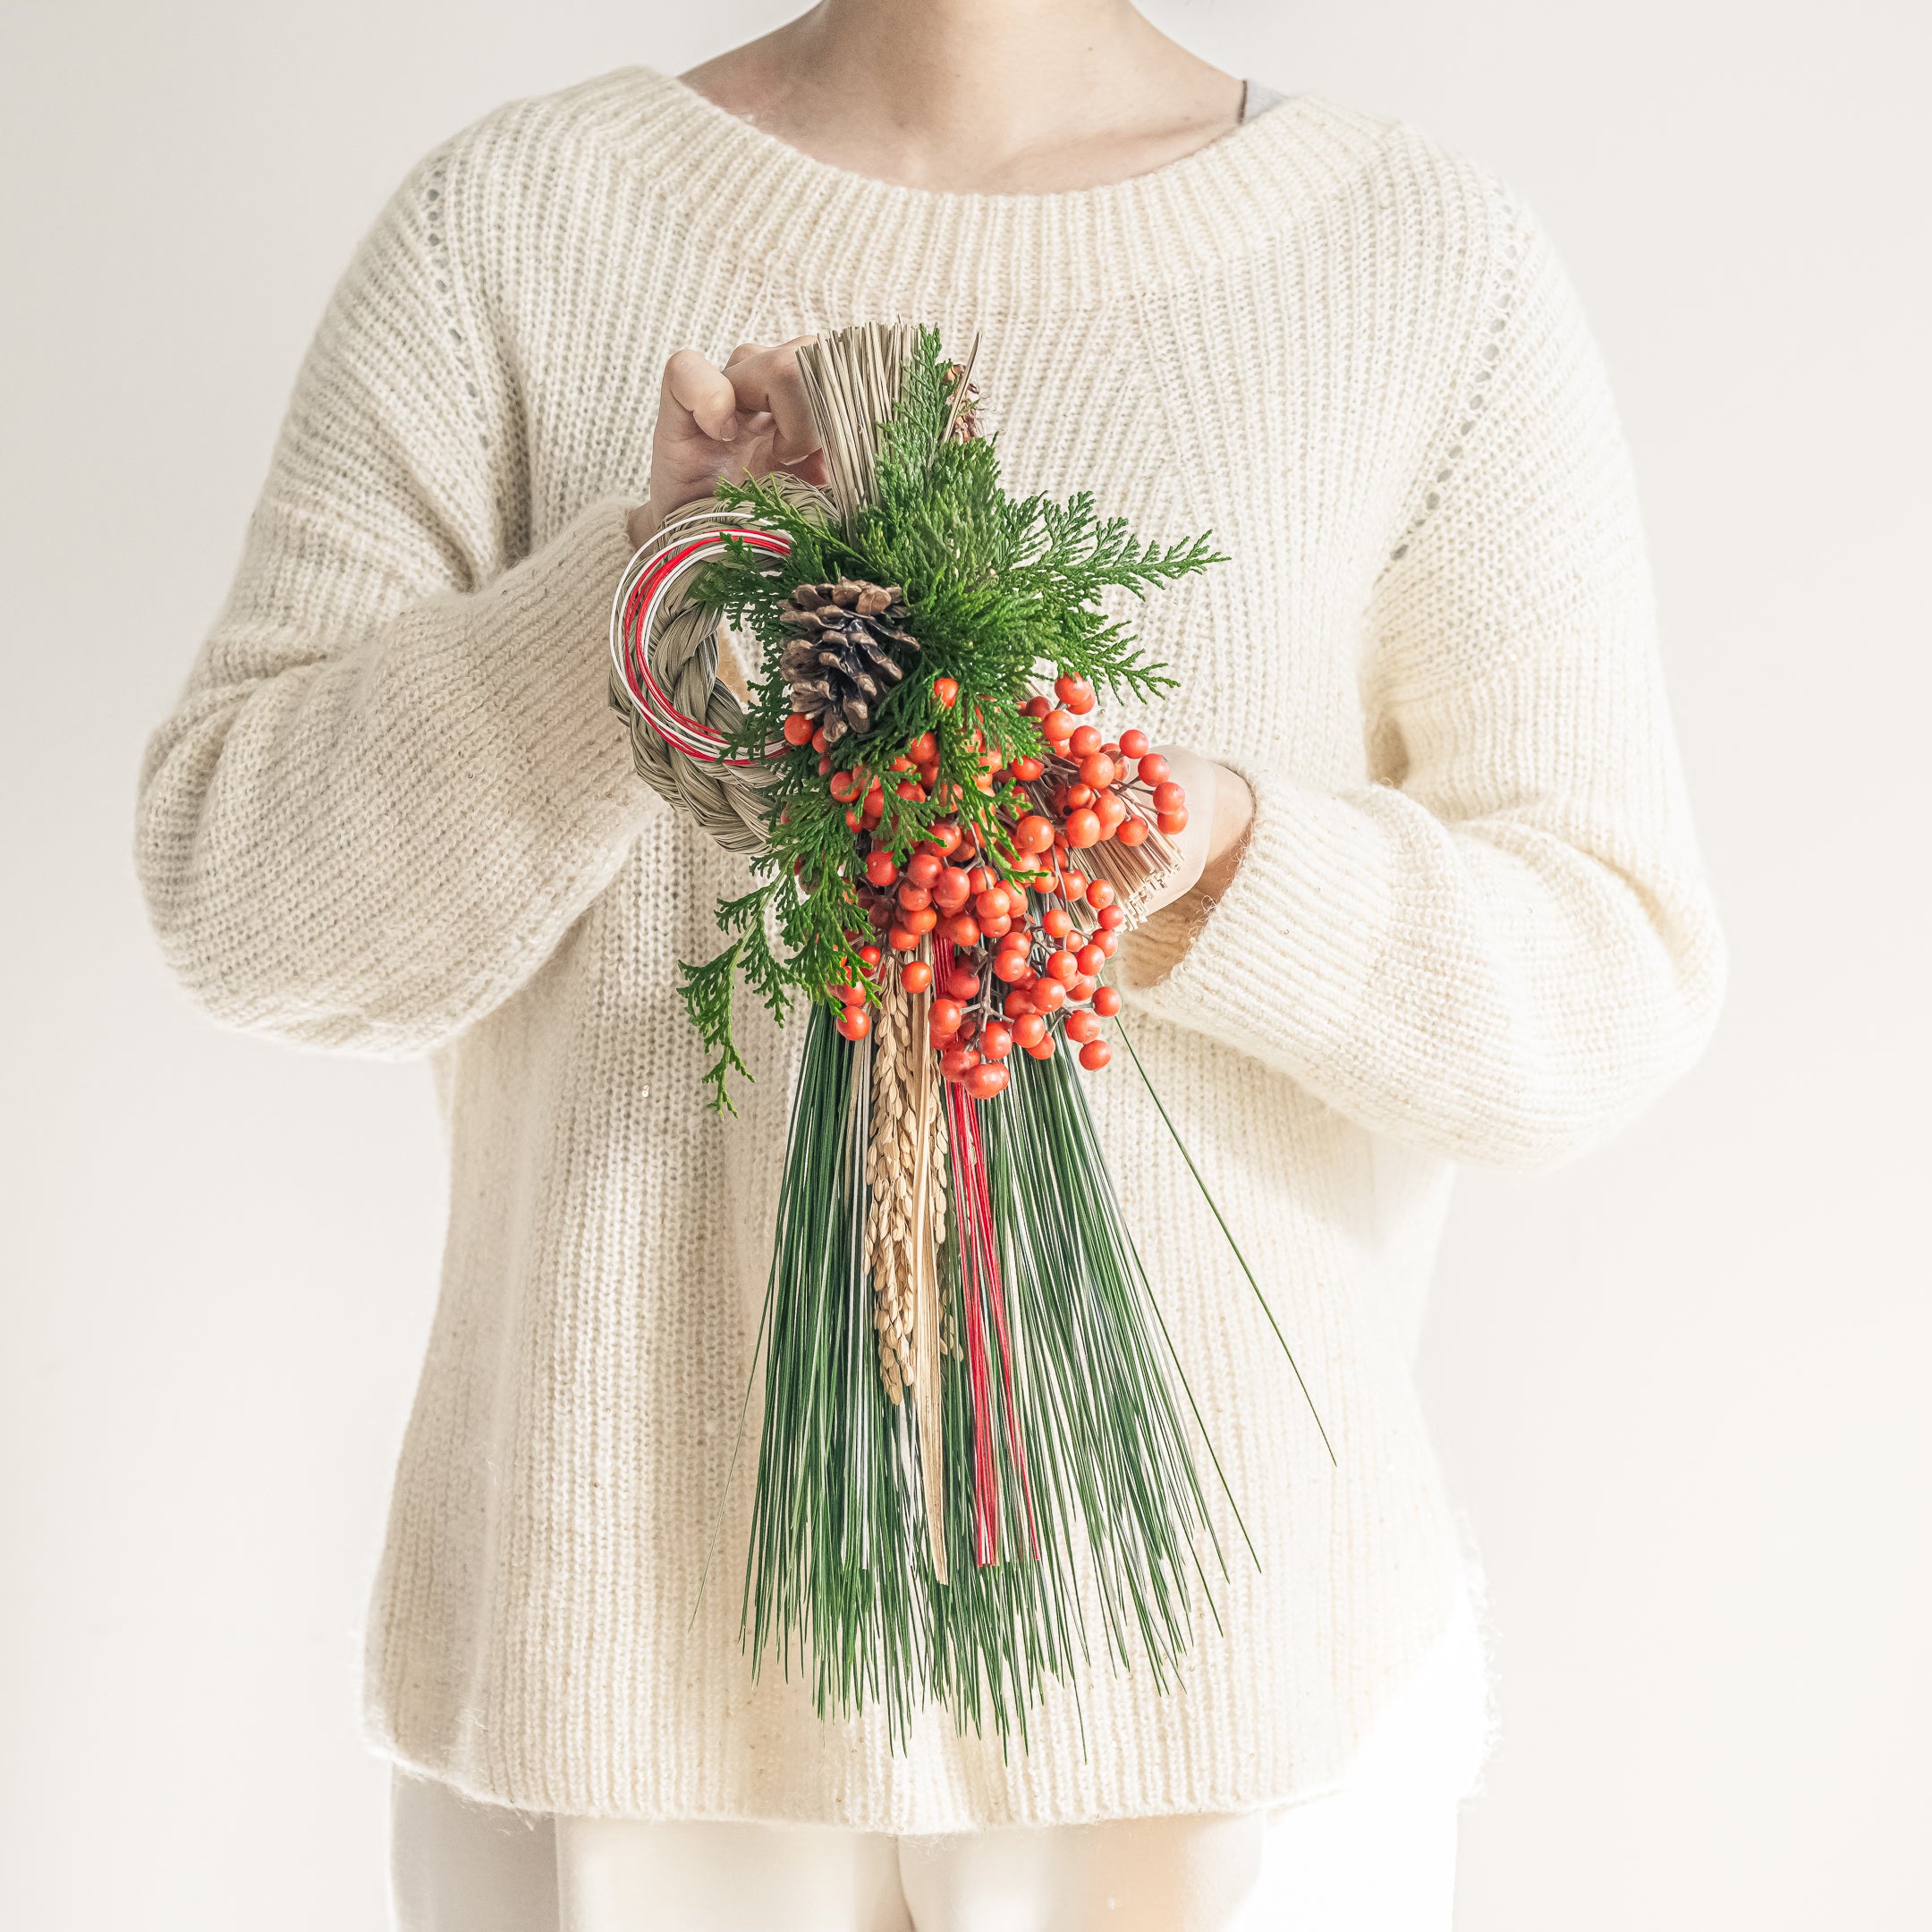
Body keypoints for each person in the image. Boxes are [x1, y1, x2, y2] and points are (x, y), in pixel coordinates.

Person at [133, 3, 1726, 1927]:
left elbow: (1607, 980)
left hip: (1223, 1702)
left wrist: (1221, 859)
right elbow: (243, 899)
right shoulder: (515, 226)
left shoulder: (1419, 266)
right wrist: (644, 600)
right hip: (624, 1698)